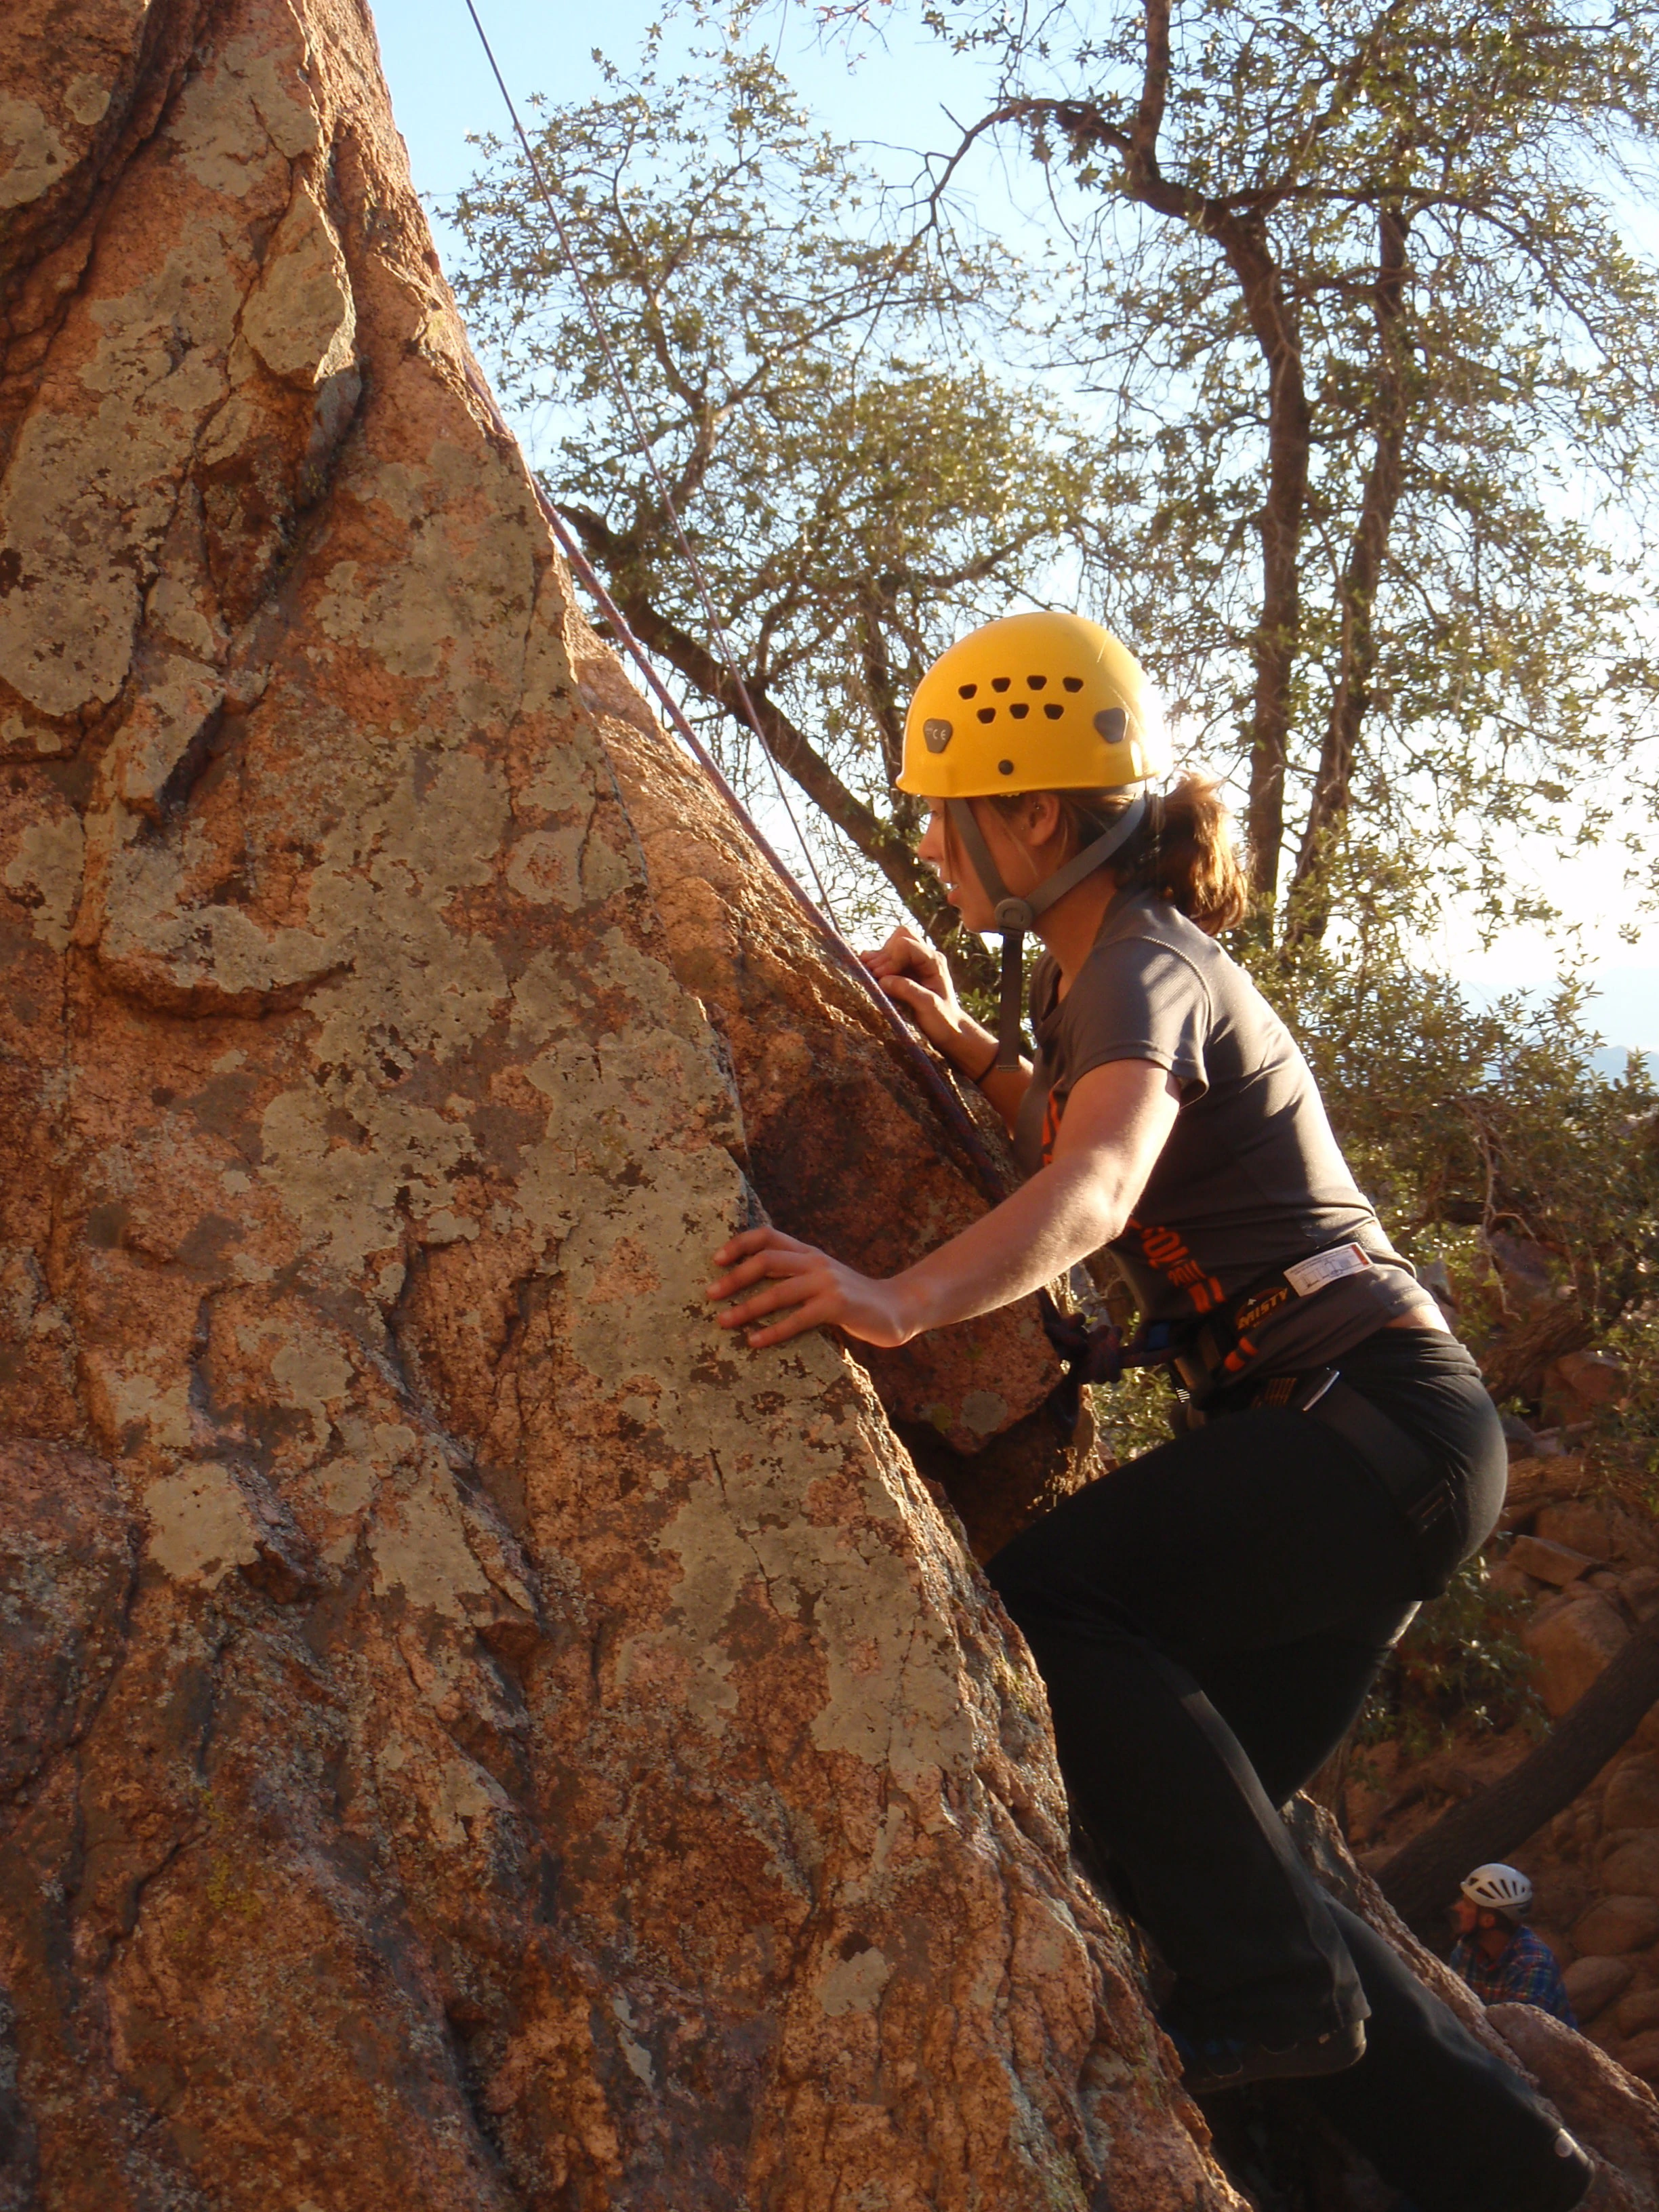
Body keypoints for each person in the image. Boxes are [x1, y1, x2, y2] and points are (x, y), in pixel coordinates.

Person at [705, 611, 1591, 2212]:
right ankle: (1505, 2176)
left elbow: (1098, 1180)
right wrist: (960, 1040)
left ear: (1033, 816)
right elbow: (1091, 1123)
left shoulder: (1135, 963)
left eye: (944, 807)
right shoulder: (1120, 975)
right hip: (1386, 1436)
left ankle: (1277, 2001)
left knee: (1051, 1607)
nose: (928, 839)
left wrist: (888, 1296)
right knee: (1215, 1843)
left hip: (1349, 1423)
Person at [1450, 1864, 1578, 2024]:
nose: (1458, 1908)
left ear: (1488, 1920)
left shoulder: (1532, 1967)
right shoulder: (1467, 1947)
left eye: (1467, 1904)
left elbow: (1517, 2034)